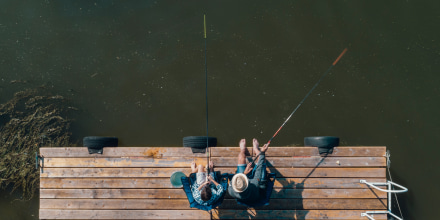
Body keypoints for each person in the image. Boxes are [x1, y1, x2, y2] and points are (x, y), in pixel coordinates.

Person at [228, 138, 269, 203]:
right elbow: (259, 169)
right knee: (261, 159)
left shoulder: (231, 191)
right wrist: (262, 152)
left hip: (249, 188)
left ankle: (243, 150)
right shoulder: (254, 184)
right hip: (258, 186)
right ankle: (256, 149)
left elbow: (237, 182)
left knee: (241, 157)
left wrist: (244, 173)